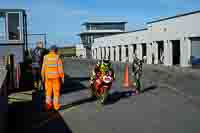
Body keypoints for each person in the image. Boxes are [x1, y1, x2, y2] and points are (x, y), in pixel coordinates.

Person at [41, 45, 64, 111]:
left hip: (48, 78)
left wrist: (43, 77)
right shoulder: (57, 57)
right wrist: (62, 78)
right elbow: (60, 69)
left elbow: (43, 69)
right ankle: (56, 107)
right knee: (56, 93)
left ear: (50, 50)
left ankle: (48, 106)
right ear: (55, 50)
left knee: (48, 93)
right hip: (56, 78)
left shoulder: (45, 57)